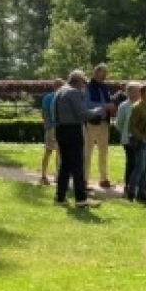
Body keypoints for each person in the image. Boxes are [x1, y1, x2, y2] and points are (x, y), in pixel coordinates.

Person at [52, 70, 110, 208]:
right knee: (78, 165)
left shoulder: (60, 91)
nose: (84, 86)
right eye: (83, 83)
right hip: (73, 130)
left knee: (65, 166)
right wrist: (100, 109)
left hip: (60, 130)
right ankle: (81, 199)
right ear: (78, 81)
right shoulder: (74, 92)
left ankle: (60, 197)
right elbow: (82, 114)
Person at [126, 83, 146, 204]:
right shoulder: (137, 107)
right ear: (143, 93)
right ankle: (131, 192)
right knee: (140, 167)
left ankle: (142, 192)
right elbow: (132, 127)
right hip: (142, 143)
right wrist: (141, 138)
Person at [84, 63, 113, 189]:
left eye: (106, 74)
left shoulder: (104, 87)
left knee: (104, 152)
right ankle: (84, 179)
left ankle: (103, 178)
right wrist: (105, 106)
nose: (105, 77)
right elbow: (87, 104)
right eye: (103, 74)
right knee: (87, 152)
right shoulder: (87, 87)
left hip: (104, 122)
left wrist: (112, 104)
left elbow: (108, 101)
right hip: (91, 123)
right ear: (96, 73)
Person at [113, 82, 141, 189]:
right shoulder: (124, 106)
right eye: (136, 90)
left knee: (139, 162)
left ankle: (137, 184)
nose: (139, 92)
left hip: (141, 139)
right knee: (131, 162)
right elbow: (118, 123)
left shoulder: (142, 104)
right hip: (128, 139)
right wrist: (125, 133)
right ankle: (128, 184)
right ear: (129, 92)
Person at [39, 79, 64, 186]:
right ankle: (58, 176)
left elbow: (44, 113)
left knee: (48, 151)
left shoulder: (47, 97)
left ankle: (44, 175)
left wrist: (47, 125)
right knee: (59, 152)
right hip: (59, 127)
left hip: (50, 128)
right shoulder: (62, 97)